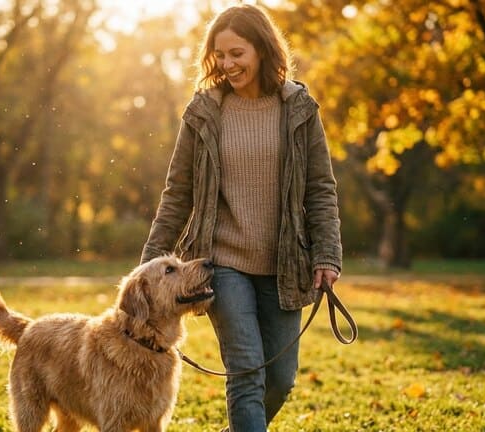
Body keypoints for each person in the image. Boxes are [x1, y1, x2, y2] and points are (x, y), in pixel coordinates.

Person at [140, 4, 342, 431]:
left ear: (263, 49)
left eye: (237, 53)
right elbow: (178, 194)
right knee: (247, 370)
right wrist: (150, 262)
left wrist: (327, 255)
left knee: (281, 380)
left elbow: (320, 189)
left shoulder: (299, 108)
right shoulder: (204, 113)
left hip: (285, 265)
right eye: (220, 55)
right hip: (222, 263)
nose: (227, 64)